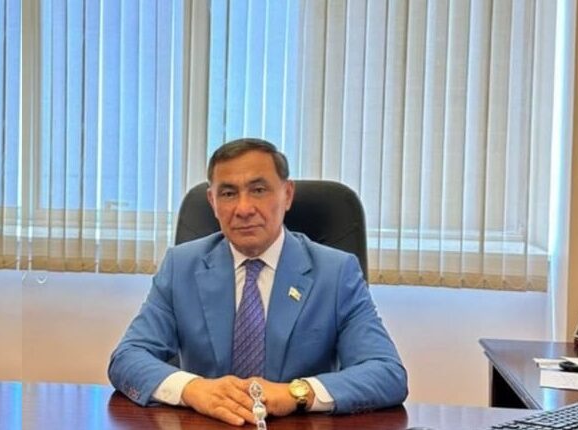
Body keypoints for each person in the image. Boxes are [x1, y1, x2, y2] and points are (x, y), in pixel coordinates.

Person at [108, 138, 408, 426]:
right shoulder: (181, 266)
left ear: (287, 194)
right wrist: (193, 389)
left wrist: (295, 393)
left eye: (259, 190)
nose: (244, 208)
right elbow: (127, 358)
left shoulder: (336, 272)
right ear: (212, 202)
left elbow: (387, 373)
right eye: (228, 194)